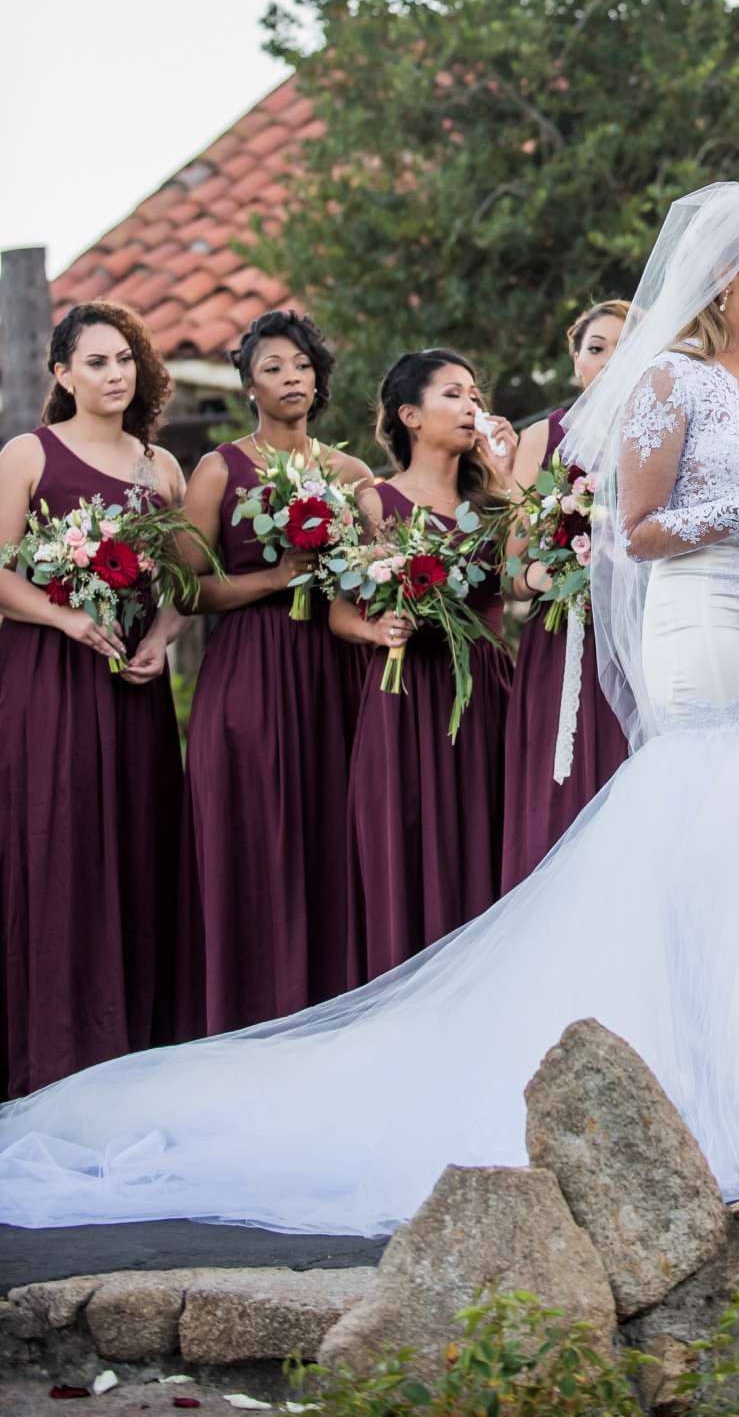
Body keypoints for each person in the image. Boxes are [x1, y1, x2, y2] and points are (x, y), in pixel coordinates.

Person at [0, 184, 739, 1234]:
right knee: (727, 839)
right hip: (702, 643)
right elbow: (640, 530)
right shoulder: (670, 384)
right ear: (725, 279)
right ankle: (700, 1098)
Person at [0, 303, 185, 1097]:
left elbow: (184, 581)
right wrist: (63, 615)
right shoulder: (26, 454)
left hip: (133, 688)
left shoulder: (163, 467)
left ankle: (132, 1057)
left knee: (137, 852)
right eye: (98, 362)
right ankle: (44, 1061)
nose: (115, 375)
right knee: (55, 849)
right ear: (64, 375)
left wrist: (164, 638)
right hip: (46, 681)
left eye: (125, 361)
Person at [176, 312, 373, 1035]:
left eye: (300, 365)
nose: (290, 379)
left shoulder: (351, 474)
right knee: (259, 831)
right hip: (251, 672)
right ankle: (252, 1011)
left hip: (336, 671)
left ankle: (338, 1008)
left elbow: (375, 575)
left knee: (333, 828)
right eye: (272, 368)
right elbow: (185, 589)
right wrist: (272, 579)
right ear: (250, 385)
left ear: (318, 378)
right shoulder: (220, 468)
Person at [336, 351, 518, 981]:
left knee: (489, 847)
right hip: (406, 701)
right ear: (409, 415)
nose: (471, 405)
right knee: (411, 853)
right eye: (452, 394)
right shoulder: (374, 502)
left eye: (474, 393)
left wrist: (508, 473)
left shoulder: (495, 503)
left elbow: (524, 581)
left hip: (489, 699)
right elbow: (338, 612)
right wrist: (375, 626)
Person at [502, 300, 631, 888]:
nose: (610, 359)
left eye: (625, 346)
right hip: (563, 637)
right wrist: (541, 578)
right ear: (576, 360)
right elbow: (510, 561)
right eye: (597, 347)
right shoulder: (543, 435)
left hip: (639, 631)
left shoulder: (660, 428)